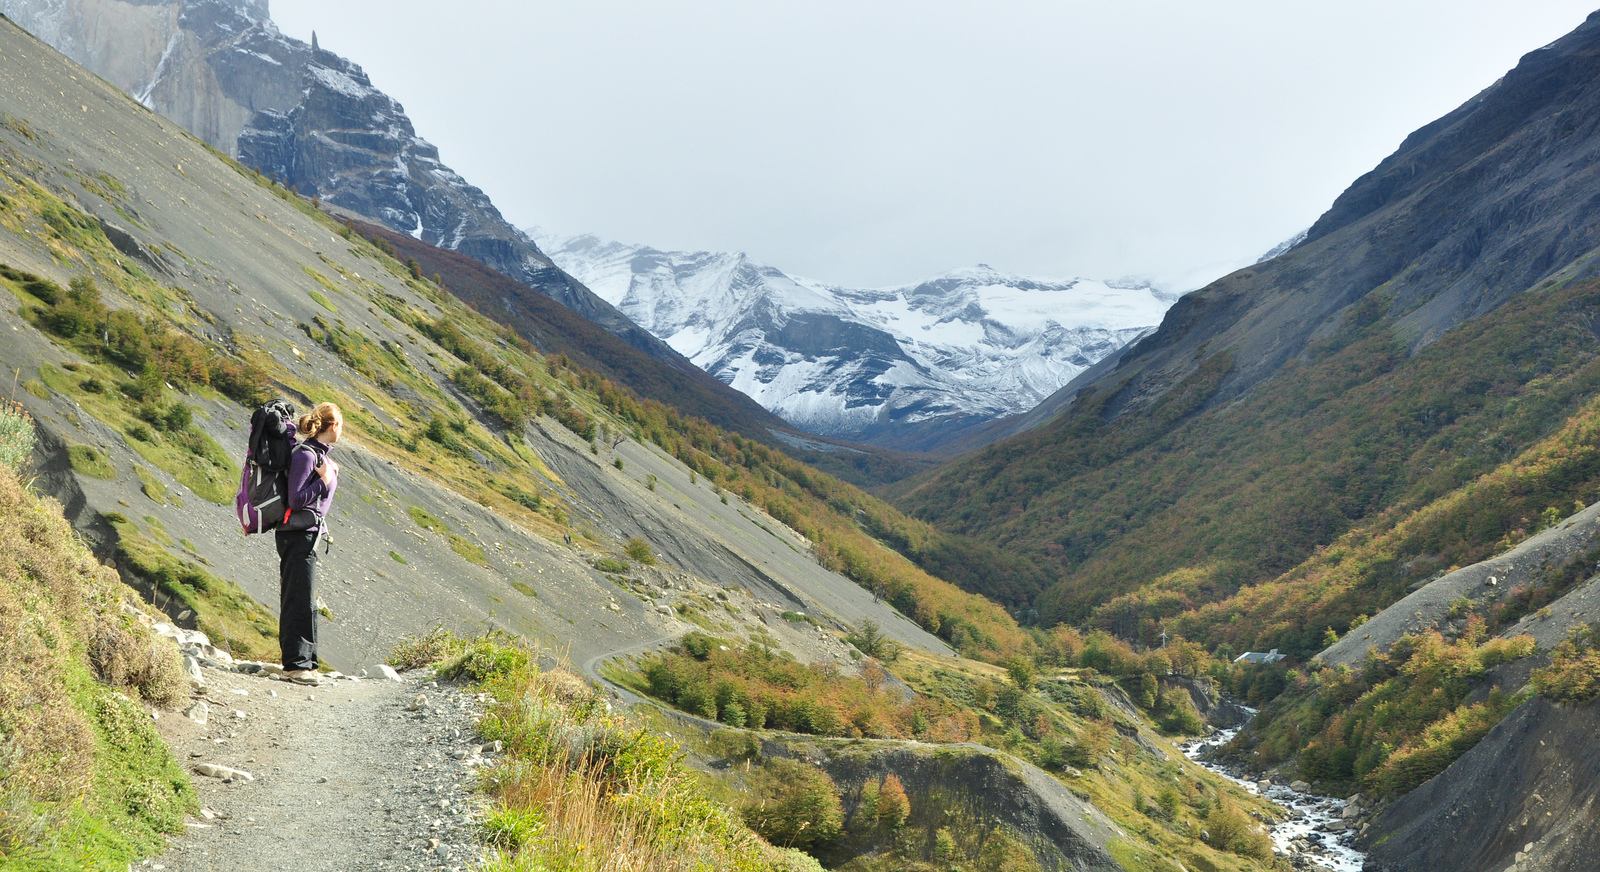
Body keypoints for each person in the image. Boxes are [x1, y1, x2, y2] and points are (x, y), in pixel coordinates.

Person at [278, 401, 342, 685]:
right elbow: (295, 499)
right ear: (332, 426)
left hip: (309, 534)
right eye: (341, 424)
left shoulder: (320, 455)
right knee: (298, 597)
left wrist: (328, 474)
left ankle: (308, 662)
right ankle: (295, 665)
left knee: (307, 597)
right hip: (296, 535)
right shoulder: (305, 455)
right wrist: (323, 481)